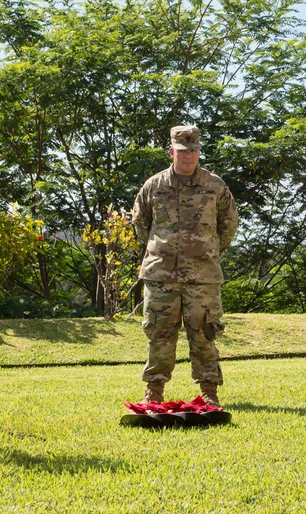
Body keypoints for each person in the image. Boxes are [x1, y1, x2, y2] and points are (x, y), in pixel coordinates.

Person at [131, 125, 239, 407]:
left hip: (203, 277)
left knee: (204, 335)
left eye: (193, 151)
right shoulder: (154, 186)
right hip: (161, 276)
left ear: (199, 152)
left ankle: (208, 393)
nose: (188, 156)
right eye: (182, 151)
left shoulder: (215, 186)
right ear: (172, 152)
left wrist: (206, 252)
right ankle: (153, 392)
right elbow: (141, 224)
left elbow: (228, 226)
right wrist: (164, 250)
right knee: (159, 334)